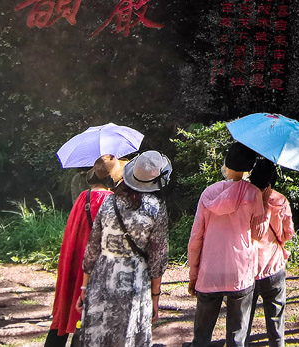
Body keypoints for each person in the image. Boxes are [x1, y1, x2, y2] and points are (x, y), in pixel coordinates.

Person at [78, 150, 171, 347]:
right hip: (134, 281)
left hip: (101, 277)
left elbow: (93, 246)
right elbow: (158, 258)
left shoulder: (109, 201)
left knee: (98, 337)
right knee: (128, 336)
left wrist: (84, 287)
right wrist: (155, 297)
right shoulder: (156, 208)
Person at [187, 142, 267, 347]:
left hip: (209, 271)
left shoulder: (208, 193)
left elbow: (196, 237)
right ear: (249, 167)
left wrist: (193, 274)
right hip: (240, 272)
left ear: (226, 162)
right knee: (237, 336)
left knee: (202, 336)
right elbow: (258, 233)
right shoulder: (253, 194)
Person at [45, 155, 124, 347]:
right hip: (96, 263)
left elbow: (73, 231)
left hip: (75, 259)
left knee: (67, 304)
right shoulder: (112, 201)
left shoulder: (84, 197)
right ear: (112, 177)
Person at [245, 159, 294, 347]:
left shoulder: (244, 199)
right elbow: (287, 233)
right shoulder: (280, 201)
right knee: (276, 319)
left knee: (243, 320)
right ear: (272, 182)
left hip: (248, 269)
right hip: (274, 267)